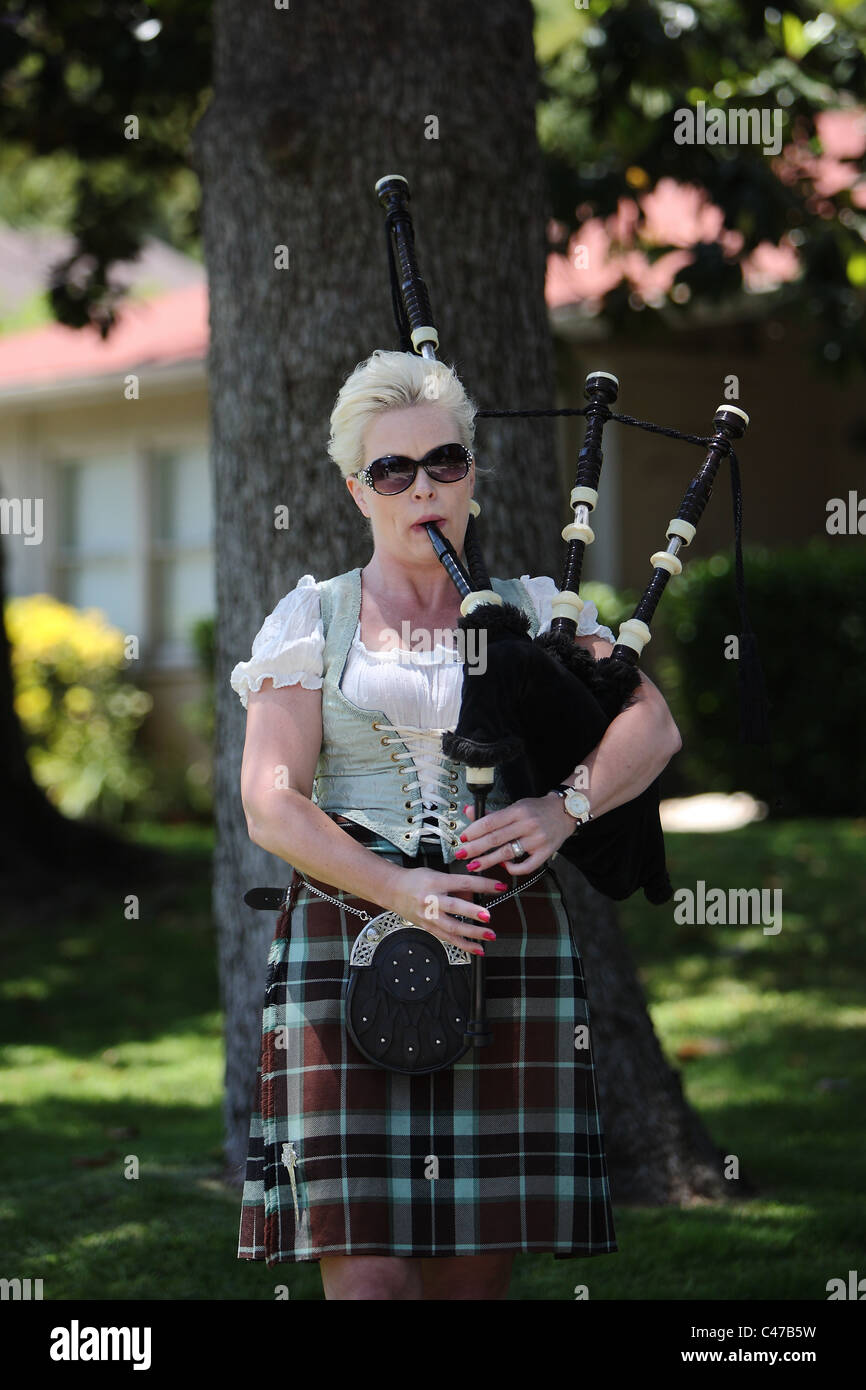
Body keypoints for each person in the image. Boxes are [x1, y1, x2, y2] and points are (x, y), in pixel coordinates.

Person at [230, 349, 682, 1301]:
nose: (421, 487)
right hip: (348, 935)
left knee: (472, 1285)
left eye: (444, 463)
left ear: (472, 475)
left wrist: (562, 809)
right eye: (392, 471)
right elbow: (271, 798)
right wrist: (398, 886)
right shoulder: (316, 616)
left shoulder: (530, 611)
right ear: (359, 491)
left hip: (501, 937)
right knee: (372, 1286)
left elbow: (653, 725)